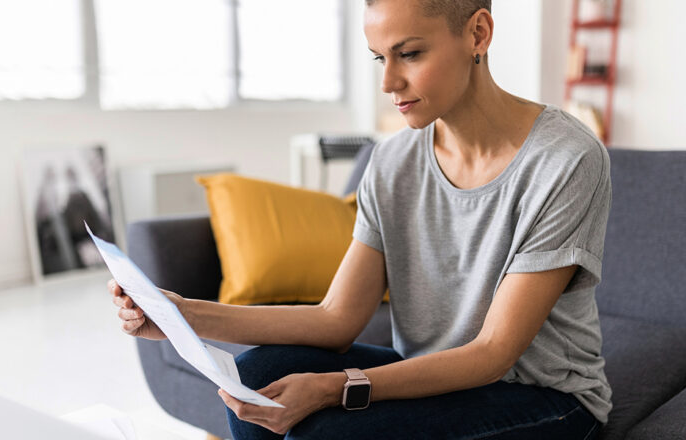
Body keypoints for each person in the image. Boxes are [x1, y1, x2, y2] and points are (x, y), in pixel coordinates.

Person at [108, 0, 612, 438]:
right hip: (427, 373)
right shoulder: (392, 162)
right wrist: (180, 315)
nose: (389, 82)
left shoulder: (565, 159)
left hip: (545, 399)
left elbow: (493, 353)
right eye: (379, 58)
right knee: (257, 375)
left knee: (328, 430)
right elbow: (337, 319)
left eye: (410, 54)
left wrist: (334, 389)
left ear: (477, 33)